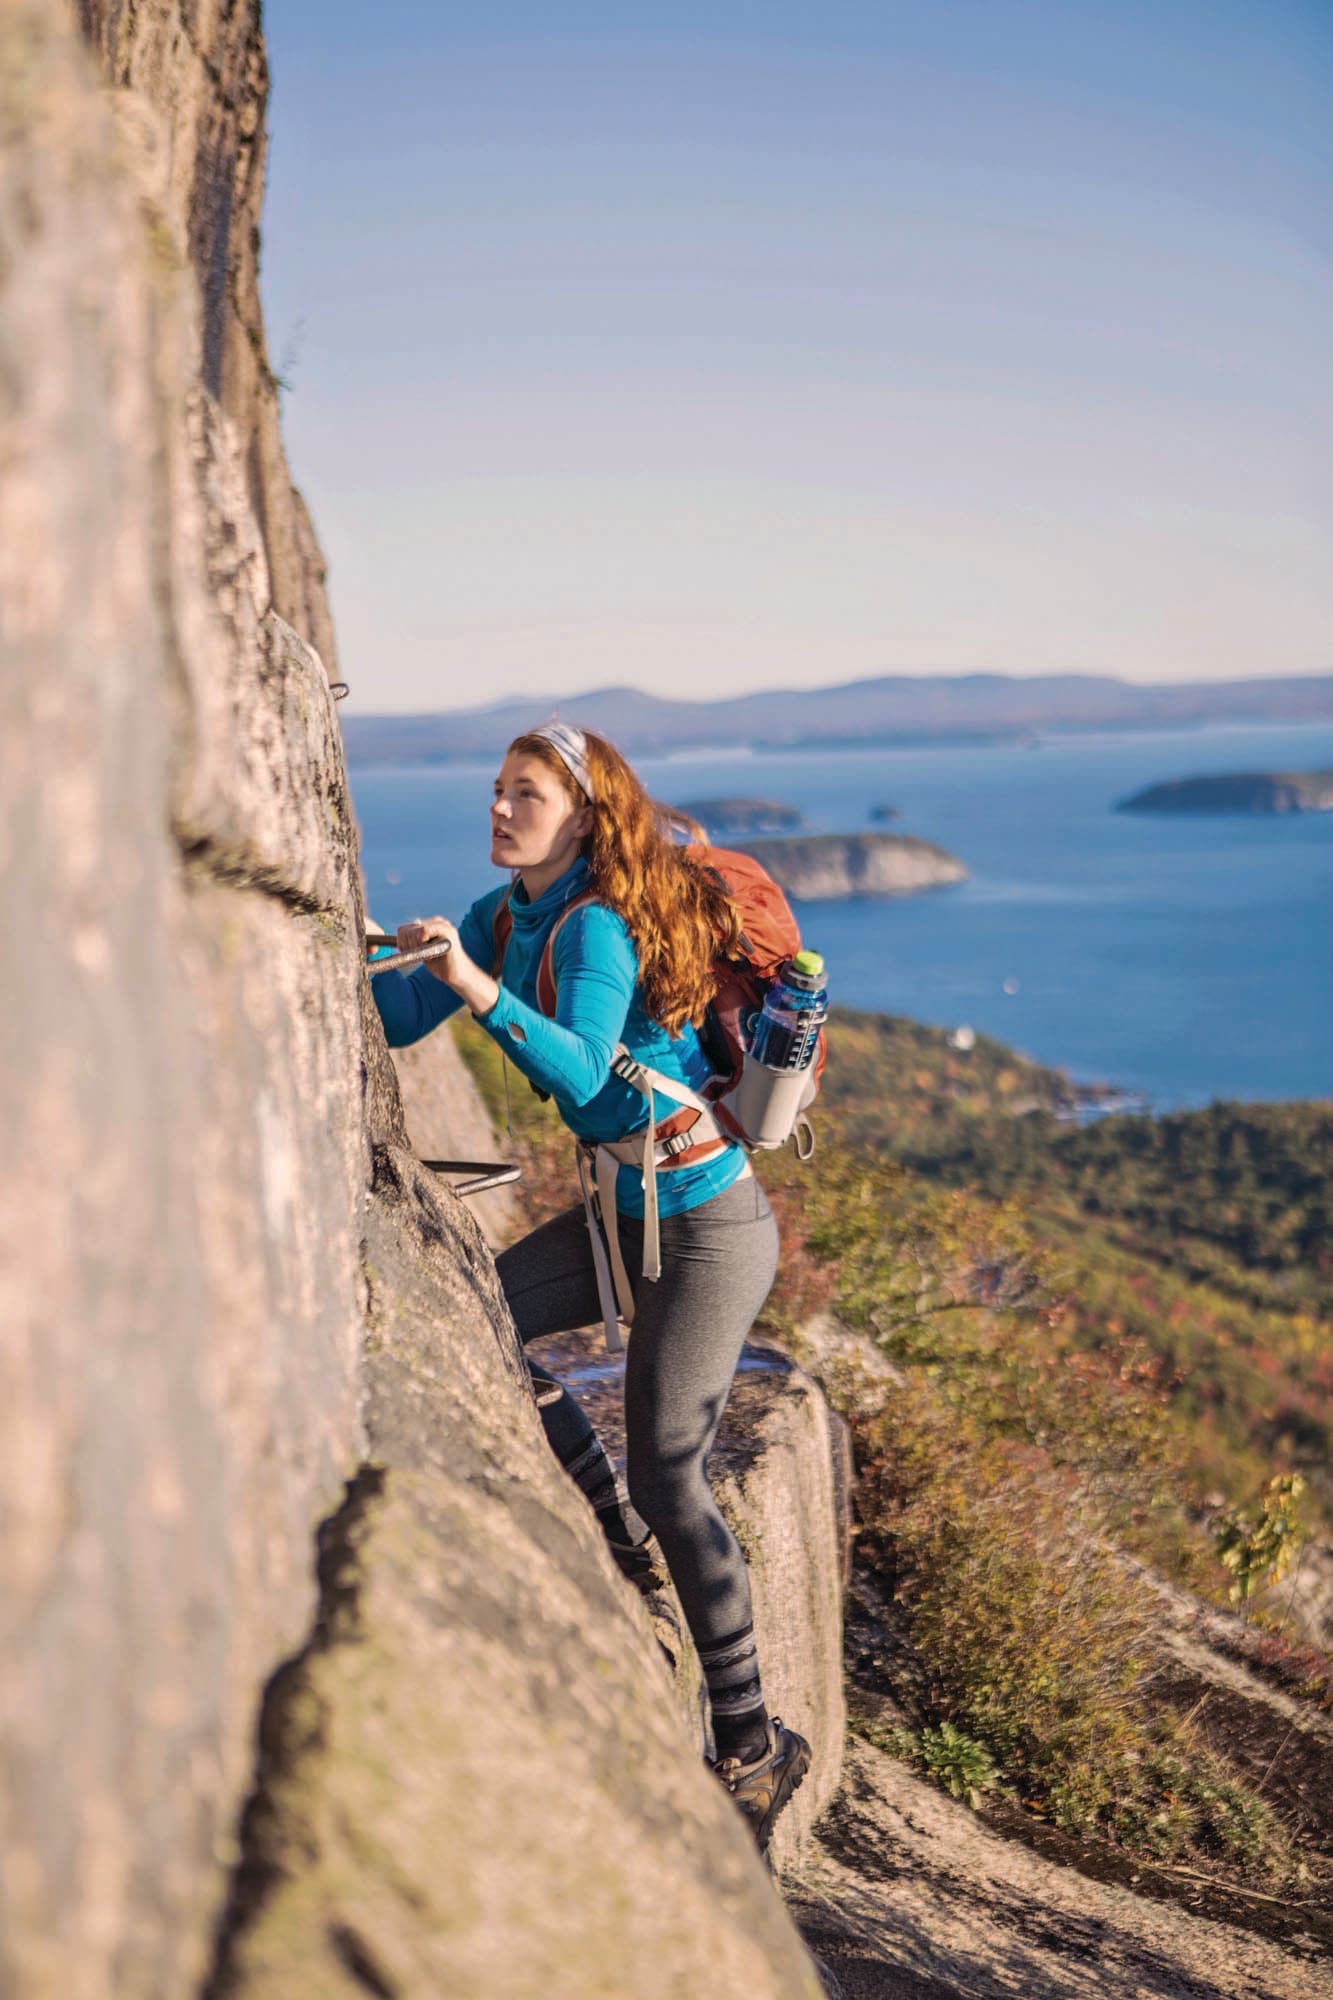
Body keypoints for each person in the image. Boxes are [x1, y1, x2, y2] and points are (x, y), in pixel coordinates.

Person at [371, 721, 811, 1852]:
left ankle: (753, 1742)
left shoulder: (595, 924)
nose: (498, 807)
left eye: (525, 793)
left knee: (672, 1472)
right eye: (496, 788)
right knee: (477, 1325)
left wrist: (477, 989)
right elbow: (399, 1018)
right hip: (623, 1212)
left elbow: (589, 1075)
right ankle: (614, 1537)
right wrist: (357, 951)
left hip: (706, 1224)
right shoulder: (504, 911)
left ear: (583, 815)